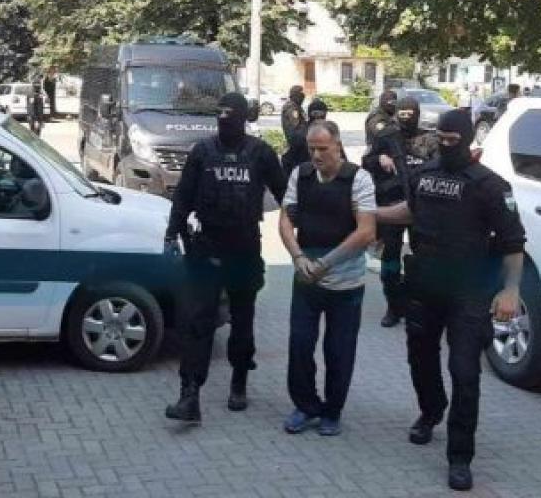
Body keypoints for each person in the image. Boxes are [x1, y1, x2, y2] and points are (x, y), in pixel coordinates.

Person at [377, 109, 526, 491]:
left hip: (468, 290)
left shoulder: (490, 185)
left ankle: (460, 456)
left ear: (466, 138)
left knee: (464, 372)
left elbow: (512, 243)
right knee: (420, 356)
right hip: (425, 283)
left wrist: (511, 290)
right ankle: (430, 411)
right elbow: (410, 211)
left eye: (452, 141)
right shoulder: (424, 175)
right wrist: (372, 214)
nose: (445, 146)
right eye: (440, 139)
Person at [164, 92, 287, 423]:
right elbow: (183, 196)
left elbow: (285, 195)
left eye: (230, 117)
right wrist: (172, 232)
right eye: (220, 116)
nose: (224, 122)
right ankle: (190, 394)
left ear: (244, 118)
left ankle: (239, 380)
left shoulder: (260, 153)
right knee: (197, 322)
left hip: (244, 248)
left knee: (242, 321)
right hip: (207, 246)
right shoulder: (203, 152)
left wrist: (302, 231)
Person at [279, 120, 377, 436]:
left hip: (346, 285)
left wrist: (326, 263)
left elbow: (366, 231)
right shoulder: (301, 175)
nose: (317, 155)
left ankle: (332, 411)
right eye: (312, 149)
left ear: (337, 145)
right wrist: (298, 257)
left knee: (339, 351)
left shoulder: (359, 179)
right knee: (299, 345)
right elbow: (285, 220)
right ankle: (306, 406)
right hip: (307, 278)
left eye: (323, 148)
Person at [362, 96, 439, 327]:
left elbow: (440, 167)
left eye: (410, 114)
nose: (406, 118)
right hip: (391, 205)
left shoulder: (428, 139)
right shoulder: (386, 136)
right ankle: (393, 306)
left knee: (422, 258)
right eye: (402, 114)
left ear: (418, 114)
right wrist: (379, 157)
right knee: (390, 259)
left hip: (420, 208)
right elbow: (366, 162)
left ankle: (417, 302)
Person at [280, 85, 307, 175]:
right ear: (295, 95)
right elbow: (297, 127)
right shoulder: (291, 108)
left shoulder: (297, 106)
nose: (303, 98)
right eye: (301, 95)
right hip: (295, 144)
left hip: (298, 144)